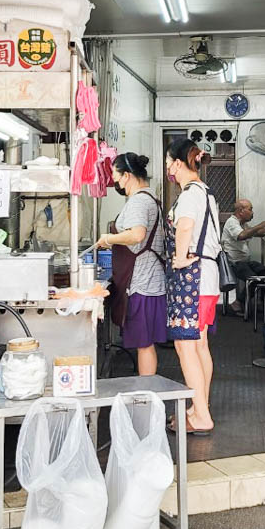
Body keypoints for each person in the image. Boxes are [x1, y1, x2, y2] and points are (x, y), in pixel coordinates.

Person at [164, 137, 220, 436]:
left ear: (176, 162)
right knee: (199, 345)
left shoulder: (189, 194)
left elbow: (185, 226)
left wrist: (180, 258)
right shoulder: (207, 193)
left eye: (167, 161)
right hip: (206, 278)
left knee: (186, 346)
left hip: (193, 279)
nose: (167, 167)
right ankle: (200, 408)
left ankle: (201, 416)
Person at [95, 152, 167, 375]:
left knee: (144, 344)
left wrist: (108, 239)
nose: (115, 182)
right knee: (145, 343)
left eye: (116, 176)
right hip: (149, 280)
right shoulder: (150, 198)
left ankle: (146, 396)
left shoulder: (138, 201)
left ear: (127, 176)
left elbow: (137, 235)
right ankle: (147, 392)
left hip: (141, 283)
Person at [221, 198, 265, 315]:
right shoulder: (232, 223)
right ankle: (238, 302)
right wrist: (260, 225)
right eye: (250, 209)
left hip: (244, 262)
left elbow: (254, 233)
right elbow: (242, 235)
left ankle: (263, 305)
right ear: (241, 211)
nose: (252, 212)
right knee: (253, 279)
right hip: (234, 263)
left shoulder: (242, 224)